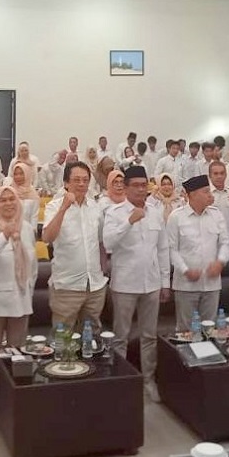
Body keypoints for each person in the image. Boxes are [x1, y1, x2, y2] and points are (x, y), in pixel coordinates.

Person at [102, 166, 170, 402]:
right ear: (126, 187)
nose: (141, 190)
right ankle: (121, 382)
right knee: (121, 337)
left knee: (149, 336)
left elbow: (163, 248)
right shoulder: (115, 212)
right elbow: (108, 243)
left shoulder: (156, 211)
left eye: (144, 185)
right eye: (136, 185)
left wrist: (165, 282)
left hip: (151, 283)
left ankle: (148, 380)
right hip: (125, 284)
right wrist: (129, 221)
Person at [0, 186, 37, 391]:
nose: (9, 203)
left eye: (12, 199)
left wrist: (29, 288)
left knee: (18, 352)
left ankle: (13, 394)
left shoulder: (26, 228)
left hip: (21, 299)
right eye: (3, 200)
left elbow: (32, 265)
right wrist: (4, 235)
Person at [42, 161, 107, 331]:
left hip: (94, 285)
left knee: (91, 337)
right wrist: (63, 208)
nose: (81, 184)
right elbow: (47, 237)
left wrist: (102, 270)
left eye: (85, 180)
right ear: (66, 183)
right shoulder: (54, 207)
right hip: (67, 287)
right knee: (63, 339)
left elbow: (101, 241)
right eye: (76, 180)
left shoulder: (95, 207)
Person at [168, 175, 229, 332]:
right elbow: (171, 249)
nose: (210, 195)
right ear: (193, 194)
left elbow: (224, 243)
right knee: (186, 332)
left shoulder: (216, 214)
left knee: (209, 331)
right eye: (206, 191)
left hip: (211, 284)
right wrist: (185, 270)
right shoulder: (176, 217)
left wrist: (220, 262)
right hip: (186, 285)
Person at [8, 162, 40, 232]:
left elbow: (34, 217)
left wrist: (32, 234)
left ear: (26, 174)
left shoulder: (33, 194)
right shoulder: (9, 192)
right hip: (9, 231)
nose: (18, 177)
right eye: (15, 174)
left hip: (27, 232)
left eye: (21, 174)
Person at [208, 161, 229, 227]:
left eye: (222, 173)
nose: (219, 176)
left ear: (226, 175)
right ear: (210, 176)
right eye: (215, 174)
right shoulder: (205, 194)